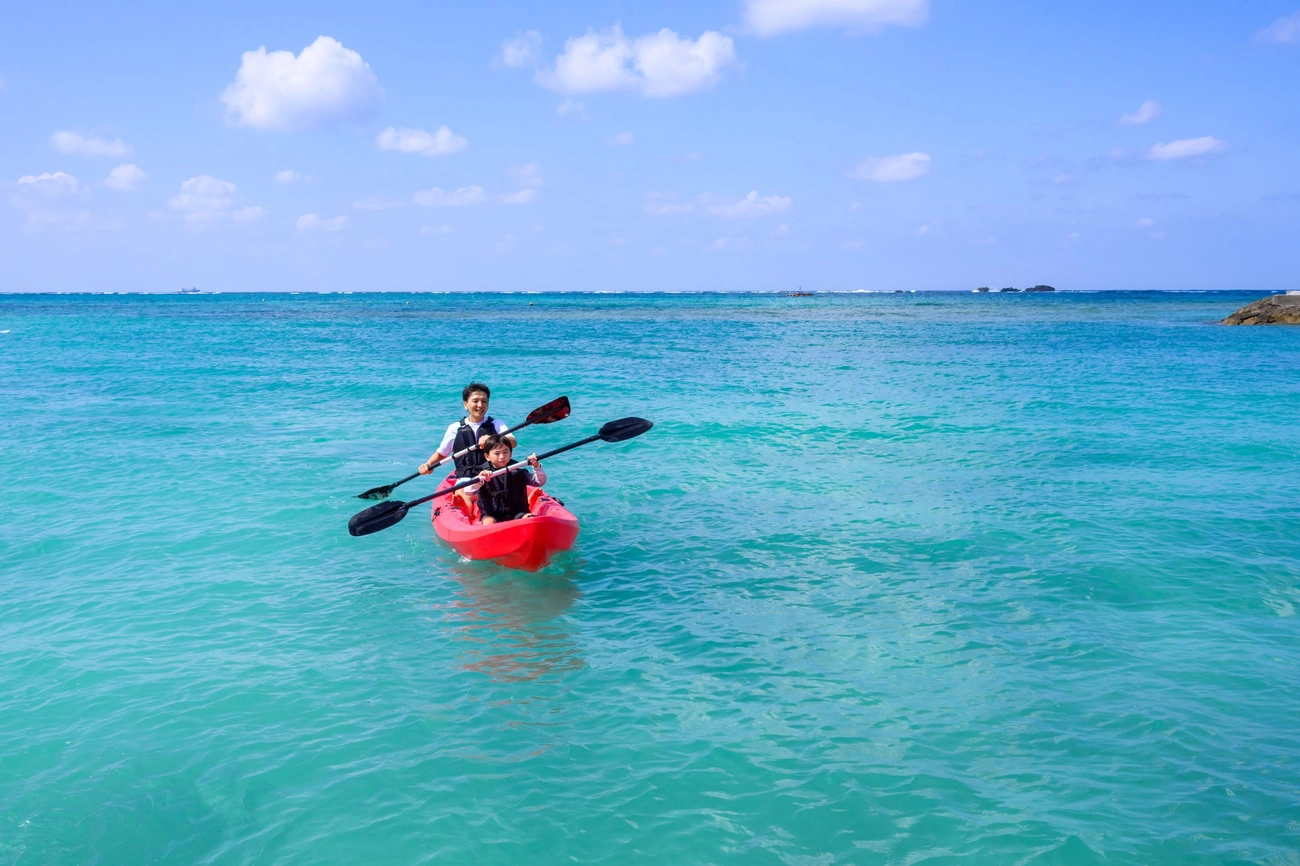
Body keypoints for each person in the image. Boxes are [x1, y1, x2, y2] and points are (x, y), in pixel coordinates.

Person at [418, 383, 517, 479]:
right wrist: (428, 465)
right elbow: (441, 454)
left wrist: (492, 439)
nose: (480, 405)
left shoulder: (496, 424)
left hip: (492, 475)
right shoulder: (455, 428)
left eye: (484, 401)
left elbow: (512, 442)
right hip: (466, 478)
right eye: (475, 401)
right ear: (465, 404)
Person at [471, 435, 546, 525]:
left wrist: (536, 466)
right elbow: (468, 491)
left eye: (505, 452)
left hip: (518, 514)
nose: (502, 456)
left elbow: (539, 481)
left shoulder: (517, 470)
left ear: (511, 453)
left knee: (529, 518)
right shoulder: (482, 473)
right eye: (497, 453)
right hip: (492, 515)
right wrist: (479, 479)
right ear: (487, 456)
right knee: (488, 522)